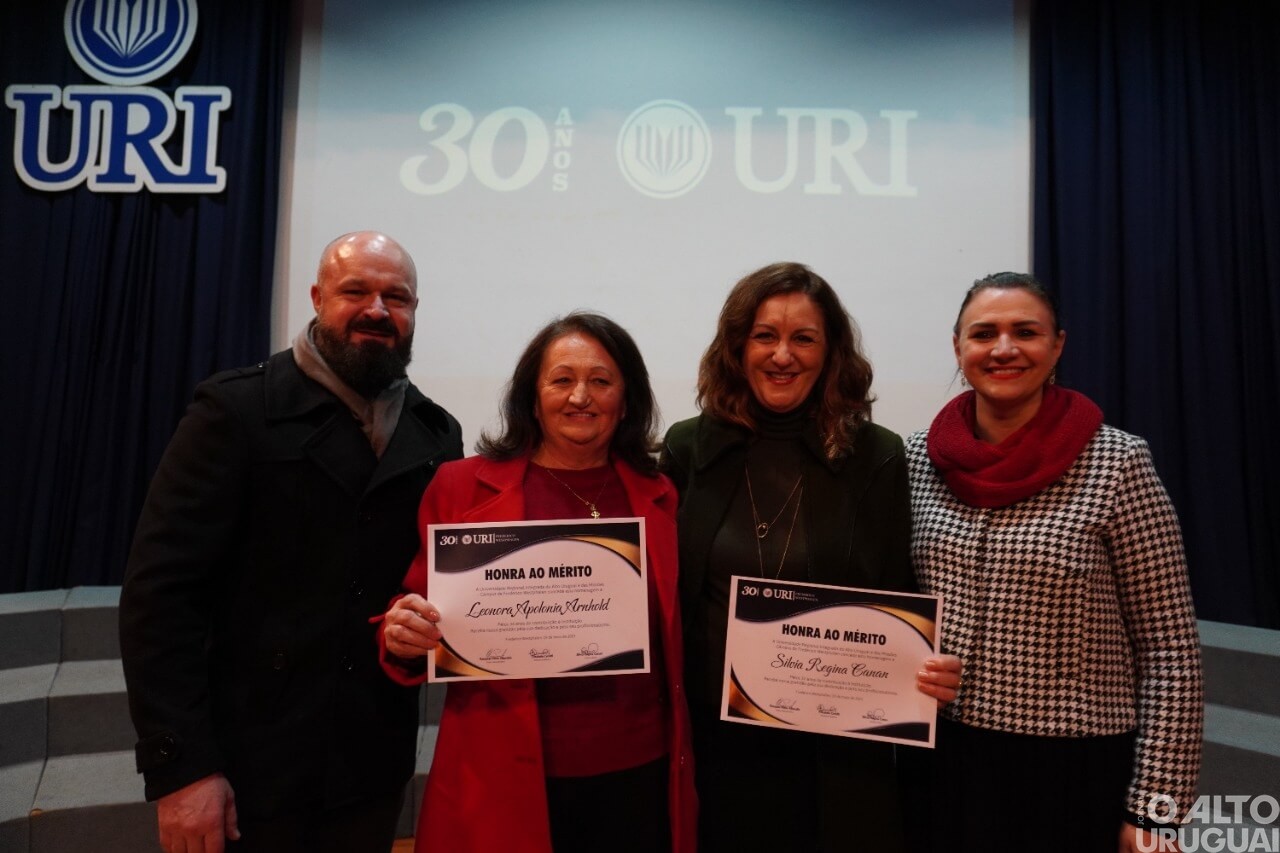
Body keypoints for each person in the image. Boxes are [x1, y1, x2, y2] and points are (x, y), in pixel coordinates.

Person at [119, 232, 463, 853]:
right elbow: (159, 599)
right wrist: (182, 770)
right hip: (247, 767)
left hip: (371, 765)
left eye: (397, 296)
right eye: (355, 290)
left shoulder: (436, 434)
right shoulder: (234, 412)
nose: (378, 310)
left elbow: (433, 593)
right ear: (316, 297)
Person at [660, 262, 960, 852]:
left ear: (831, 353)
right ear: (737, 346)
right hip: (714, 745)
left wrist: (924, 663)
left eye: (804, 338)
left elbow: (898, 597)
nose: (782, 355)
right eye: (765, 335)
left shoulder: (876, 455)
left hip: (835, 750)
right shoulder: (687, 446)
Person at [904, 272, 1203, 853]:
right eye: (984, 333)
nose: (1005, 348)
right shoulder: (917, 459)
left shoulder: (1117, 462)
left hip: (1072, 762)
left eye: (1026, 332)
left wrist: (1157, 810)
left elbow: (1169, 647)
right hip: (944, 752)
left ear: (1058, 345)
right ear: (958, 347)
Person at [379, 312, 697, 853]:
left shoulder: (661, 495)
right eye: (561, 379)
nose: (581, 396)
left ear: (626, 399)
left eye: (601, 380)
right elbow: (414, 609)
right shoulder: (460, 488)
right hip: (499, 770)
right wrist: (404, 632)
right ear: (531, 396)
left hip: (638, 772)